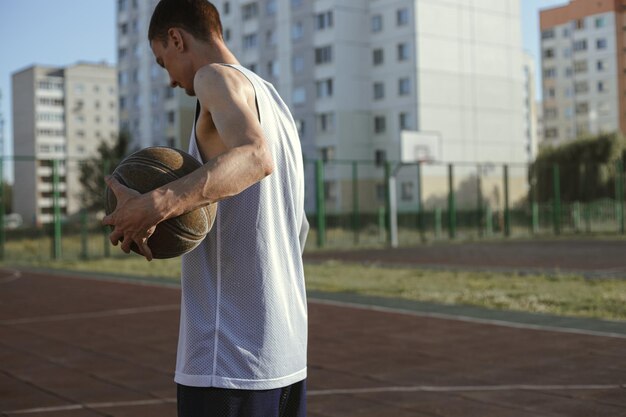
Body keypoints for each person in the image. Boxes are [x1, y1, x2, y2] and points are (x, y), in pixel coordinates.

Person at [102, 0, 309, 415]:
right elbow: (298, 226)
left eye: (163, 62)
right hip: (285, 351)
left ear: (176, 38)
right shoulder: (276, 105)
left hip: (228, 357)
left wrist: (156, 205)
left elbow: (254, 158)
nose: (170, 79)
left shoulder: (213, 77)